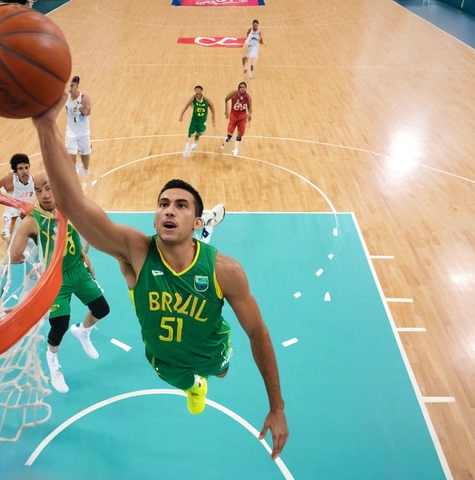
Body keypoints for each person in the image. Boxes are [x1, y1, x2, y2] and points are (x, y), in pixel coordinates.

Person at [31, 94, 289, 459]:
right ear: (155, 218)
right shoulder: (135, 251)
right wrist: (45, 125)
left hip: (213, 352)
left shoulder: (225, 271)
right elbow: (72, 205)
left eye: (181, 205)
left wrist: (277, 407)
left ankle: (206, 236)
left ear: (194, 221)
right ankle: (192, 386)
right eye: (163, 204)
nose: (169, 209)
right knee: (189, 385)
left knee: (223, 373)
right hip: (163, 362)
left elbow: (257, 332)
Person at [10, 171, 111, 393]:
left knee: (102, 309)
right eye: (38, 191)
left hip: (78, 271)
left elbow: (75, 237)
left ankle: (83, 331)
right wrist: (33, 263)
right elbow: (14, 256)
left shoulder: (67, 208)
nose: (44, 195)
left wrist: (85, 258)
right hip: (56, 280)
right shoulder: (32, 221)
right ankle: (53, 364)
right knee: (60, 325)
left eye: (48, 188)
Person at [0, 153, 35, 240]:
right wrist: (0, 197)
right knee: (11, 241)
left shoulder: (33, 180)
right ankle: (7, 232)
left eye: (26, 167)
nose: (25, 171)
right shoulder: (10, 179)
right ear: (16, 171)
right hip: (13, 215)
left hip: (27, 213)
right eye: (20, 169)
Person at [65, 75, 92, 178]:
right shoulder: (66, 97)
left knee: (85, 154)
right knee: (71, 162)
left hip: (83, 133)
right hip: (71, 133)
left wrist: (78, 107)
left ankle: (85, 170)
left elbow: (87, 113)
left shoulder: (84, 98)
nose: (70, 88)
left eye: (72, 86)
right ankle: (74, 177)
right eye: (69, 86)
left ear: (77, 86)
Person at [178, 85, 216, 158]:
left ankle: (195, 142)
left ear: (201, 91)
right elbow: (186, 106)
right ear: (195, 91)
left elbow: (213, 108)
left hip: (202, 121)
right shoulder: (193, 98)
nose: (197, 92)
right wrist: (181, 115)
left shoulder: (207, 100)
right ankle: (186, 151)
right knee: (189, 135)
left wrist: (213, 118)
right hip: (194, 121)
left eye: (199, 90)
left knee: (200, 133)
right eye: (196, 90)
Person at [221, 82, 252, 156]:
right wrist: (226, 110)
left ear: (246, 88)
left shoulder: (248, 97)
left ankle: (236, 149)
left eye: (243, 87)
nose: (242, 89)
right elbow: (226, 99)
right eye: (240, 87)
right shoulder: (234, 93)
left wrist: (249, 115)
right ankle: (224, 141)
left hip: (242, 118)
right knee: (229, 135)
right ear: (238, 88)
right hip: (233, 117)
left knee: (240, 135)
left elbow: (250, 107)